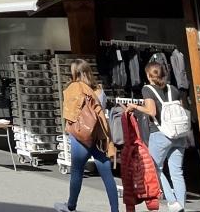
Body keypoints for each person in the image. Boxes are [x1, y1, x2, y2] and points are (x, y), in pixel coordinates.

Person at [126, 56, 191, 212]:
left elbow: (151, 111)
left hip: (160, 133)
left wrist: (135, 107)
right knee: (177, 172)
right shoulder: (173, 89)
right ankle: (181, 206)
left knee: (155, 168)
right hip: (179, 134)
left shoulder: (147, 89)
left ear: (149, 75)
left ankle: (172, 202)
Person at [56, 59, 118, 212]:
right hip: (99, 136)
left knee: (77, 172)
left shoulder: (73, 88)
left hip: (80, 136)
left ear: (74, 73)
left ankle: (71, 206)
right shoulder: (99, 90)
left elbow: (70, 113)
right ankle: (115, 209)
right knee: (107, 175)